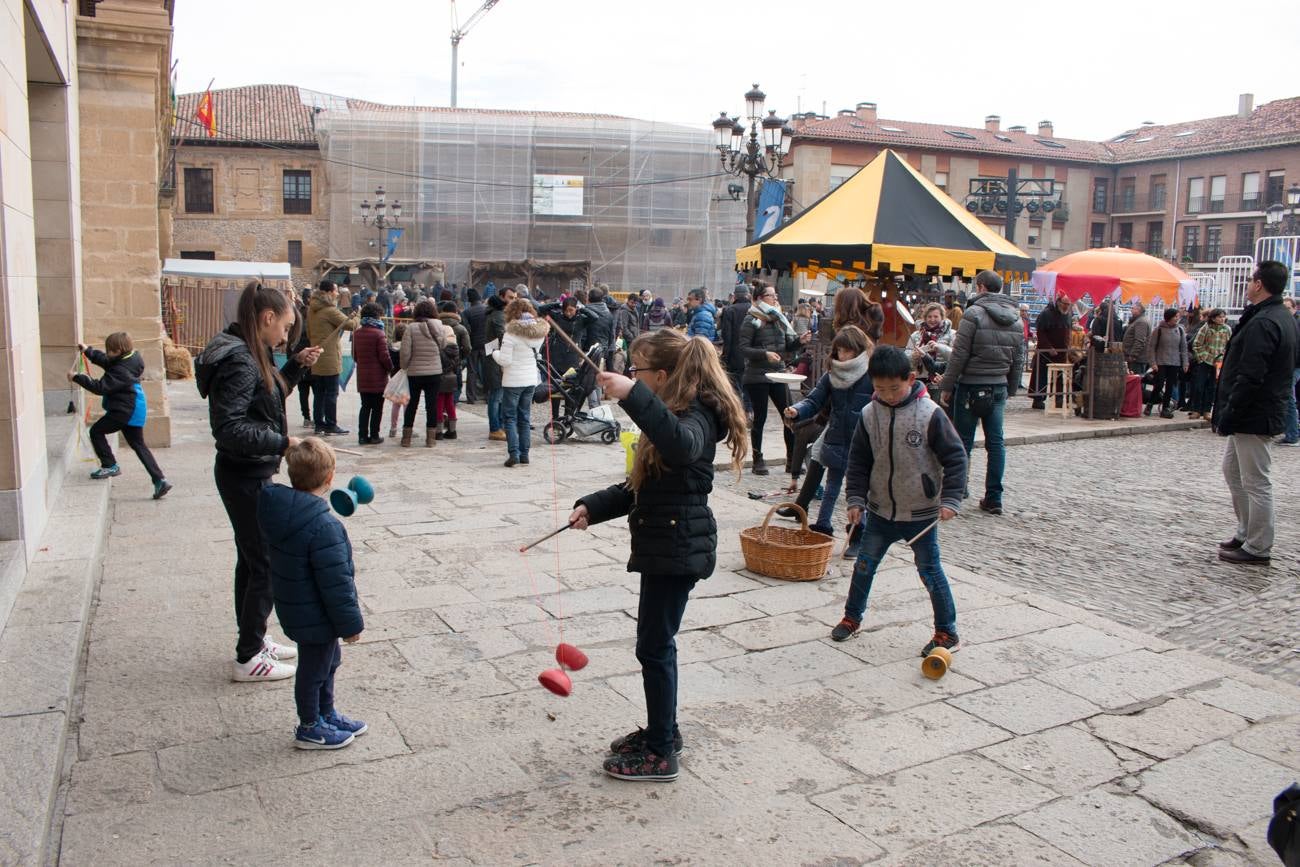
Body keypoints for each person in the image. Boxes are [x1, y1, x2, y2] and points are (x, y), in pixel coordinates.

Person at [568, 329, 748, 782]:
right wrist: (595, 505)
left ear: (661, 376)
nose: (631, 375)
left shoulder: (695, 416)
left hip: (678, 546)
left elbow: (681, 446)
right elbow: (641, 485)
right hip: (665, 542)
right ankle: (660, 730)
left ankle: (662, 750)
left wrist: (631, 395)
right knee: (653, 645)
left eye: (638, 370)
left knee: (654, 647)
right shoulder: (671, 412)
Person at [196, 281, 323, 682]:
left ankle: (254, 636)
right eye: (285, 328)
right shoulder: (239, 360)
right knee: (263, 562)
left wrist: (296, 364)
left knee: (252, 561)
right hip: (244, 473)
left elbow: (267, 396)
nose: (286, 335)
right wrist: (284, 442)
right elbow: (230, 428)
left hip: (248, 470)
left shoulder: (254, 350)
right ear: (267, 318)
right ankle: (249, 655)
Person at [829, 345, 967, 655]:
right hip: (879, 512)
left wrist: (951, 499)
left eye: (894, 387)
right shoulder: (869, 414)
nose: (888, 394)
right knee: (863, 566)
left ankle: (947, 633)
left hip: (921, 512)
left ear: (910, 378)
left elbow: (956, 458)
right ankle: (852, 618)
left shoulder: (930, 414)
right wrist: (855, 500)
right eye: (880, 388)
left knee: (930, 572)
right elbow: (858, 462)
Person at [257, 438, 366, 750]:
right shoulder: (324, 526)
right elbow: (337, 583)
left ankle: (326, 713)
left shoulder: (283, 511)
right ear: (330, 478)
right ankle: (309, 726)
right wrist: (351, 625)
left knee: (328, 663)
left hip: (297, 607)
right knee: (314, 669)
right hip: (316, 614)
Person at [1213, 260, 1299, 565]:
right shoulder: (1278, 316)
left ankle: (1259, 545)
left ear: (1259, 284)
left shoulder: (1267, 321)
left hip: (1254, 412)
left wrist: (1231, 409)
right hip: (1254, 410)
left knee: (1256, 480)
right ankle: (1246, 531)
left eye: (1250, 279)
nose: (1248, 284)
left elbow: (1251, 373)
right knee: (1233, 471)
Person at [938, 270, 1023, 516]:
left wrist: (947, 386)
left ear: (982, 287)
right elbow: (1018, 359)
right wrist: (1012, 387)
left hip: (971, 385)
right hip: (997, 386)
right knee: (996, 443)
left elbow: (959, 355)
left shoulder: (973, 314)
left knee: (962, 442)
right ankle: (994, 497)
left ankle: (956, 490)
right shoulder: (1016, 319)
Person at [783, 326, 873, 540]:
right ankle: (823, 525)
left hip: (862, 443)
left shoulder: (871, 373)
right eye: (839, 351)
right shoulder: (832, 374)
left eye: (847, 351)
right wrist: (797, 411)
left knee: (859, 493)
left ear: (858, 350)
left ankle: (857, 535)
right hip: (836, 437)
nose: (842, 356)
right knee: (832, 486)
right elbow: (814, 399)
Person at [71, 332, 171, 499]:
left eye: (110, 350)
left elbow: (100, 387)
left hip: (125, 411)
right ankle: (160, 480)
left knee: (96, 431)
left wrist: (77, 378)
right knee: (138, 445)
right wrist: (88, 351)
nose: (108, 353)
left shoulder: (121, 370)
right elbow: (107, 361)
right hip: (134, 407)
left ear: (118, 350)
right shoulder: (130, 359)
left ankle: (110, 465)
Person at [740, 284, 810, 475]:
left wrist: (799, 341)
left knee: (789, 414)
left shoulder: (779, 318)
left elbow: (787, 346)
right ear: (761, 298)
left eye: (775, 295)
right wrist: (765, 354)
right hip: (758, 375)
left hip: (778, 374)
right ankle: (757, 459)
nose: (776, 298)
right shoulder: (752, 319)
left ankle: (791, 460)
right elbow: (744, 348)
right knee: (760, 419)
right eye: (772, 295)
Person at [491, 298, 550, 467]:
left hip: (513, 380)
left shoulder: (510, 334)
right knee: (524, 417)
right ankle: (525, 454)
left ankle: (514, 454)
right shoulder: (539, 333)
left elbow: (505, 361)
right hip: (530, 379)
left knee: (509, 418)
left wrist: (495, 353)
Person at [307, 280, 359, 436]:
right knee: (331, 393)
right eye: (336, 291)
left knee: (319, 394)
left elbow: (309, 332)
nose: (337, 293)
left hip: (316, 356)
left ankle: (319, 424)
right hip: (329, 358)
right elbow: (351, 325)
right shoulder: (329, 310)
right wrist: (359, 315)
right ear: (329, 293)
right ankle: (331, 424)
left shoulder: (312, 309)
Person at [399, 300, 451, 448]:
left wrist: (404, 366)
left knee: (412, 404)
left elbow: (405, 351)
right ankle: (431, 439)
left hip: (415, 372)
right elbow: (444, 345)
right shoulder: (439, 326)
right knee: (432, 405)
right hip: (434, 371)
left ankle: (406, 439)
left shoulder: (411, 328)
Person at [351, 302, 392, 445]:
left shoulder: (357, 333)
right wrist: (390, 368)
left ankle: (362, 436)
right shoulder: (379, 334)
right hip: (378, 378)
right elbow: (384, 356)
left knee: (365, 406)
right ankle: (374, 435)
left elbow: (354, 356)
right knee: (377, 408)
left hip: (363, 377)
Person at [483, 284, 515, 442]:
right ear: (502, 299)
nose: (513, 301)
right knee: (496, 396)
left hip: (493, 356)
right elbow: (503, 338)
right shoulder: (498, 316)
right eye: (511, 298)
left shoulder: (493, 314)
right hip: (496, 359)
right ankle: (495, 428)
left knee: (498, 395)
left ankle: (499, 426)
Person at [1145, 307, 1188, 418]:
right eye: (1175, 316)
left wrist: (1185, 363)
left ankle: (1165, 408)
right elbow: (1151, 347)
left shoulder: (1180, 330)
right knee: (1158, 385)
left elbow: (1183, 347)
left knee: (1170, 386)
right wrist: (1153, 362)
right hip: (1161, 361)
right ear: (1169, 317)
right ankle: (1150, 403)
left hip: (1174, 362)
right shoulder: (1158, 330)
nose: (1177, 319)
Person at [1188, 308, 1229, 420]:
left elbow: (1229, 345)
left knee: (1212, 387)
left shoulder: (1227, 329)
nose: (1222, 319)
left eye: (1223, 317)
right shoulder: (1205, 328)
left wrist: (1223, 357)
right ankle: (1196, 410)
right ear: (1213, 318)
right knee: (1199, 385)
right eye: (1219, 317)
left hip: (1218, 363)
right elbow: (1196, 344)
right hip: (1205, 360)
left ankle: (1207, 410)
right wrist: (1203, 357)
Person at [436, 302, 470, 439]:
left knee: (438, 400)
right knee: (451, 398)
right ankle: (452, 429)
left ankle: (438, 429)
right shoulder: (461, 329)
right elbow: (467, 348)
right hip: (454, 368)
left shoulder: (435, 327)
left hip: (437, 368)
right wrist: (460, 361)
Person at [905, 302, 955, 385]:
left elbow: (956, 357)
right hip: (919, 378)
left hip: (941, 378)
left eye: (936, 317)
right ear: (925, 318)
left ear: (942, 317)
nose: (932, 320)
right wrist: (913, 356)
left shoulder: (951, 334)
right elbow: (906, 358)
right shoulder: (916, 335)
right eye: (929, 316)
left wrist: (940, 348)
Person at [719, 283, 751, 402]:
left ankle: (738, 408)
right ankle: (748, 409)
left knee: (735, 384)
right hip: (752, 354)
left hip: (735, 353)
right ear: (747, 295)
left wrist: (725, 356)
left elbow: (727, 335)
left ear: (735, 296)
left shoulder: (729, 310)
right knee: (748, 384)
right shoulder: (754, 309)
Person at [293, 288, 315, 427]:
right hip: (308, 354)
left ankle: (306, 417)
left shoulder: (297, 314)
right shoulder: (308, 315)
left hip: (299, 353)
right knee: (314, 389)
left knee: (304, 390)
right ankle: (311, 417)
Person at [462, 288, 488, 404]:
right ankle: (488, 396)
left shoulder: (466, 312)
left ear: (469, 300)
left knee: (471, 372)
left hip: (473, 345)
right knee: (487, 371)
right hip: (486, 344)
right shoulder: (487, 310)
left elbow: (466, 330)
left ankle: (471, 397)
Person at [1283, 296, 1300, 446]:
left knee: (1289, 399)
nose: (1286, 311)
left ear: (1295, 308)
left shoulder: (1295, 324)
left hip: (1294, 366)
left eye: (1288, 308)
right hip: (1290, 365)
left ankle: (1292, 434)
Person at [615, 293, 642, 375]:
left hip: (634, 339)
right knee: (628, 361)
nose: (634, 304)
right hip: (628, 340)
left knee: (631, 361)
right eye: (632, 302)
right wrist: (632, 337)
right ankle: (626, 377)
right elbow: (624, 327)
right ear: (628, 301)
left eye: (635, 303)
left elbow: (636, 325)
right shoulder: (625, 311)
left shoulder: (634, 310)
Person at [1122, 301, 1152, 375]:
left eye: (1133, 308)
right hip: (1136, 358)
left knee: (1136, 380)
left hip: (1137, 359)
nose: (1131, 310)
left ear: (1138, 310)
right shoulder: (1138, 321)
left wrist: (1133, 355)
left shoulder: (1141, 322)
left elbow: (1139, 340)